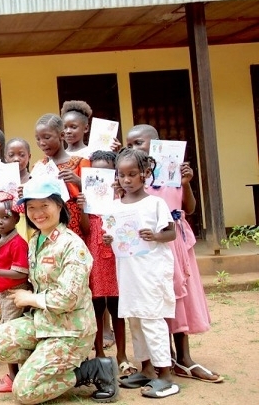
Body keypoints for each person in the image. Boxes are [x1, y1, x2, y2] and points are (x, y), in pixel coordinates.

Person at [0, 177, 118, 404]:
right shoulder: (36, 239)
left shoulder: (72, 245)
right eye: (32, 207)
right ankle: (44, 364)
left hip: (70, 332)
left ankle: (92, 370)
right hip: (42, 323)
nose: (38, 213)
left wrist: (30, 298)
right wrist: (6, 294)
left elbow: (68, 298)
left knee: (24, 392)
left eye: (45, 205)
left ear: (59, 206)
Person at [126, 124, 223, 384]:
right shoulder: (135, 179)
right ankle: (162, 357)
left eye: (138, 143)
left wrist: (186, 184)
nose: (133, 147)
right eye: (129, 143)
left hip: (175, 241)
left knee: (179, 295)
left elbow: (189, 207)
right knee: (156, 297)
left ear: (156, 146)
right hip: (148, 245)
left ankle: (184, 357)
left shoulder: (171, 175)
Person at [104, 148, 179, 398]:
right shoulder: (114, 207)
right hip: (129, 273)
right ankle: (146, 369)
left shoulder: (155, 203)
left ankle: (165, 374)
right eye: (122, 175)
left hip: (151, 272)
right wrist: (108, 239)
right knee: (134, 319)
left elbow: (171, 233)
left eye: (132, 174)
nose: (127, 180)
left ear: (145, 174)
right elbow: (113, 234)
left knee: (152, 319)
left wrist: (155, 236)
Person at [76, 150, 132, 376]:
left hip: (117, 258)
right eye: (96, 171)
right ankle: (99, 353)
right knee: (97, 306)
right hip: (95, 258)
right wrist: (82, 208)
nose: (102, 175)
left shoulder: (122, 198)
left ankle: (122, 356)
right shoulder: (89, 199)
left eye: (107, 171)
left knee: (118, 308)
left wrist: (119, 199)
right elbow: (86, 229)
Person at [0, 195, 29, 393]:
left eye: (5, 217)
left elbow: (21, 272)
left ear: (17, 220)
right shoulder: (0, 239)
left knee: (9, 336)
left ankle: (14, 376)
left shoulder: (17, 243)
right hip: (5, 294)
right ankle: (15, 374)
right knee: (6, 331)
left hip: (15, 294)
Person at [33, 113, 90, 238]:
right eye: (38, 139)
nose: (42, 143)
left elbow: (95, 196)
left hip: (75, 224)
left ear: (62, 135)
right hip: (47, 224)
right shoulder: (39, 167)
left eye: (47, 137)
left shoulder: (80, 162)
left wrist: (79, 182)